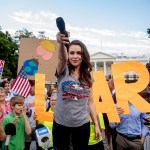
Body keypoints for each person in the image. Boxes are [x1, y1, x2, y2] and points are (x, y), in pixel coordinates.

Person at [52, 32, 101, 150]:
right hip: (60, 124)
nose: (75, 56)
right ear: (68, 54)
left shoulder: (88, 77)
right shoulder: (63, 71)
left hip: (82, 125)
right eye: (71, 53)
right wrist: (61, 44)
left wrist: (96, 124)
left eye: (79, 53)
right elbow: (62, 59)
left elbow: (91, 103)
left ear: (83, 56)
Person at [24, 80, 36, 150]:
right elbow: (24, 111)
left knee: (36, 143)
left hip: (37, 124)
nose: (29, 89)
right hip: (29, 125)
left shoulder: (41, 97)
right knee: (27, 143)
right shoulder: (26, 98)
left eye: (31, 87)